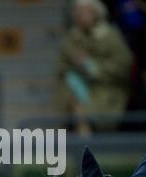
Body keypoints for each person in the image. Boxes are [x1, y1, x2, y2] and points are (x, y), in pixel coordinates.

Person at [56, 0, 133, 134]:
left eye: (86, 12)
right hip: (77, 88)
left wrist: (94, 67)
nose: (81, 15)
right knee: (70, 101)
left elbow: (124, 65)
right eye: (78, 12)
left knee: (84, 111)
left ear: (96, 13)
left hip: (106, 89)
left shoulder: (110, 36)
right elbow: (62, 65)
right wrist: (77, 64)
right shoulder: (73, 38)